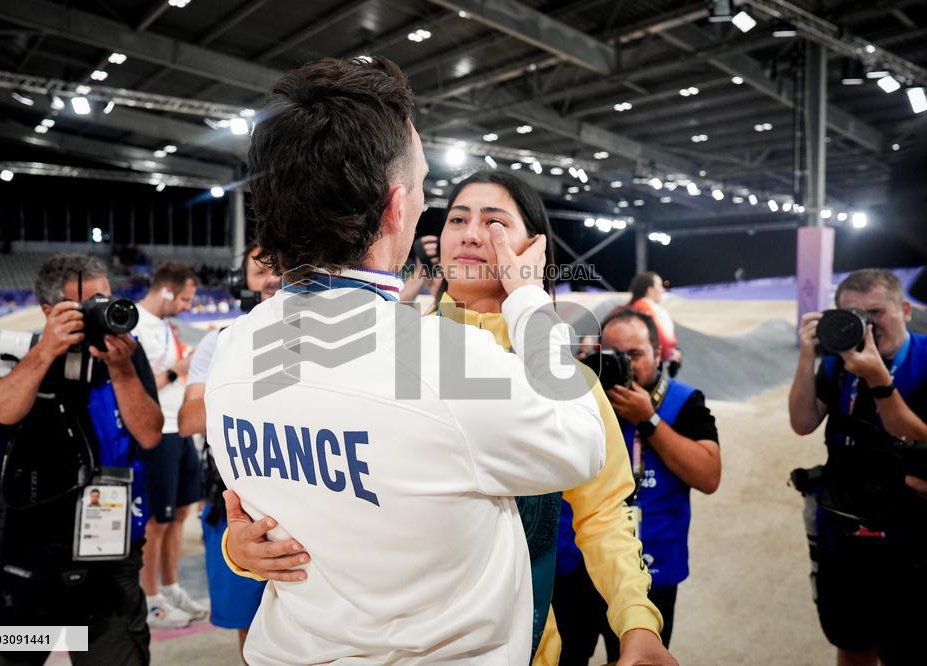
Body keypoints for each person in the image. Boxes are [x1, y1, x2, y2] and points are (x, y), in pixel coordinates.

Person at [206, 56, 606, 664]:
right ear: (396, 207)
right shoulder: (448, 362)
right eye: (421, 184)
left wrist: (238, 550)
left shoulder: (233, 349)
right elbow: (583, 441)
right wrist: (529, 300)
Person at [224, 170, 678, 666]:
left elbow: (604, 515)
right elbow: (321, 475)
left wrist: (637, 620)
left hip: (522, 645)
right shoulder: (387, 350)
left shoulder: (566, 385)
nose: (471, 234)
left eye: (495, 222)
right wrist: (240, 547)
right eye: (458, 219)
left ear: (534, 250)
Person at [0, 253, 163, 665]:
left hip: (108, 552)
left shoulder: (126, 350)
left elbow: (149, 433)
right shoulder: (15, 349)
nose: (101, 310)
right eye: (87, 303)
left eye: (106, 298)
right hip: (21, 550)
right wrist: (44, 353)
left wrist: (122, 369)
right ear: (48, 310)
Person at [555, 308, 720, 663]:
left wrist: (649, 419)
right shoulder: (581, 397)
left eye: (634, 354)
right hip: (574, 567)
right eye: (612, 354)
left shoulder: (684, 401)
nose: (623, 364)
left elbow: (708, 476)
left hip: (650, 571)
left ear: (658, 354)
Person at [789, 268, 927, 666]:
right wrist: (807, 356)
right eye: (854, 315)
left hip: (911, 533)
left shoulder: (925, 359)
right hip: (845, 526)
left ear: (905, 310)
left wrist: (879, 381)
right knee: (851, 641)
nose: (867, 325)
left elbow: (917, 438)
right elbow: (802, 422)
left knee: (908, 647)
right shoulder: (837, 364)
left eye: (876, 312)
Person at [177, 245, 279, 658]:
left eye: (281, 268)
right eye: (261, 271)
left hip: (303, 492)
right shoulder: (219, 342)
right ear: (241, 283)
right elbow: (188, 420)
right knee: (248, 623)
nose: (273, 278)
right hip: (234, 501)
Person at [132, 261, 206, 629]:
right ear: (166, 291)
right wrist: (180, 368)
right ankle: (150, 599)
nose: (188, 307)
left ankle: (172, 587)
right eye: (185, 299)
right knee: (156, 521)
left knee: (179, 515)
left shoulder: (163, 325)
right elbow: (139, 389)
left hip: (180, 429)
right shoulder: (133, 325)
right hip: (157, 432)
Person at [626, 271, 682, 374]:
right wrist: (671, 355)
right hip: (649, 366)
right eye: (660, 286)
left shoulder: (631, 308)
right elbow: (662, 339)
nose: (662, 290)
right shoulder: (647, 308)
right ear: (650, 290)